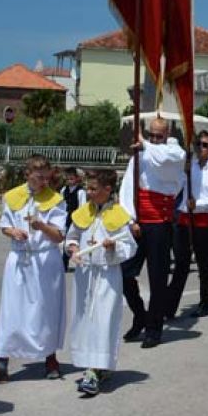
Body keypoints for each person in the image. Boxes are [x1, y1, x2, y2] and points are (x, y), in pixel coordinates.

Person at [0, 156, 67, 385]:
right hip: (19, 258)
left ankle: (50, 359)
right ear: (27, 175)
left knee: (46, 310)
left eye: (47, 177)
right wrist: (12, 232)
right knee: (11, 311)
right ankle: (1, 364)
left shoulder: (56, 200)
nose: (44, 182)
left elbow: (58, 236)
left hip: (45, 260)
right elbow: (4, 225)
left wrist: (42, 226)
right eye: (39, 178)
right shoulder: (13, 196)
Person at [64, 168, 138, 397]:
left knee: (104, 321)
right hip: (85, 274)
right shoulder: (83, 212)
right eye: (88, 187)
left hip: (107, 276)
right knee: (85, 320)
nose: (89, 191)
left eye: (94, 188)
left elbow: (130, 247)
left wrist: (114, 247)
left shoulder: (119, 215)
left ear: (108, 189)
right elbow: (72, 237)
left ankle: (95, 370)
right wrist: (73, 249)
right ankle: (93, 365)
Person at [118, 116, 186, 348]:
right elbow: (127, 188)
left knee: (158, 278)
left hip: (160, 222)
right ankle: (140, 315)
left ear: (167, 134)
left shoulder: (174, 153)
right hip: (139, 222)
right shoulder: (139, 155)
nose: (155, 139)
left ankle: (154, 328)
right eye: (152, 135)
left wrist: (145, 145)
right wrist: (130, 219)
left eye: (160, 135)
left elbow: (167, 159)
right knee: (125, 273)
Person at [172, 131, 208, 318]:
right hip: (184, 219)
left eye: (205, 145)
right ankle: (169, 305)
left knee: (204, 265)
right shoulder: (190, 168)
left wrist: (199, 204)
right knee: (181, 263)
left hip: (205, 221)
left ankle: (206, 303)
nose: (200, 148)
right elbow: (176, 186)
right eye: (198, 144)